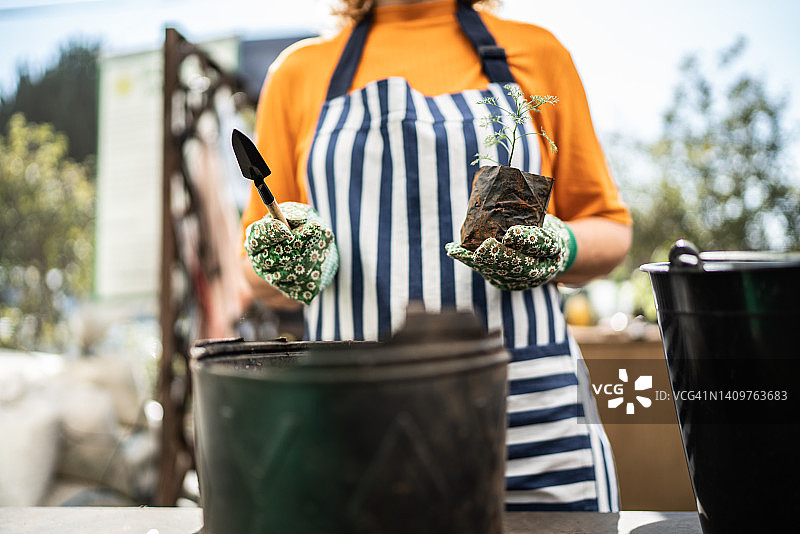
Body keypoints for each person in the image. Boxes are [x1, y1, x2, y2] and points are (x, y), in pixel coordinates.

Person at [240, 0, 632, 512]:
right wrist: (294, 259)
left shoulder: (538, 55)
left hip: (530, 423)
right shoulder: (298, 73)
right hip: (360, 426)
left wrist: (562, 246)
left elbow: (611, 228)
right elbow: (253, 265)